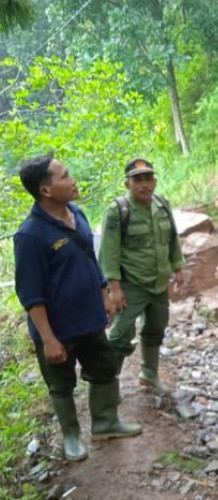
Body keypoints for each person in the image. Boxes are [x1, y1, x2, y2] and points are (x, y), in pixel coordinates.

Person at [13, 153, 142, 462]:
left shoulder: (76, 212)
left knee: (103, 369)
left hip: (90, 319)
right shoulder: (30, 235)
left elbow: (89, 258)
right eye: (64, 176)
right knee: (61, 384)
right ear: (45, 190)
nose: (72, 180)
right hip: (58, 329)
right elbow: (30, 294)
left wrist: (105, 293)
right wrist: (48, 338)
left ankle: (105, 422)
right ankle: (71, 436)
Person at [98, 158, 184, 395]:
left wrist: (178, 269)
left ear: (154, 181)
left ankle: (148, 374)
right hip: (131, 284)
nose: (144, 185)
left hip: (158, 283)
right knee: (119, 335)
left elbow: (172, 239)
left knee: (156, 328)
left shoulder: (162, 205)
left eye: (148, 179)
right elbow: (109, 251)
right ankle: (108, 387)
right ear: (127, 184)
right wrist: (114, 288)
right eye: (138, 180)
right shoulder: (118, 211)